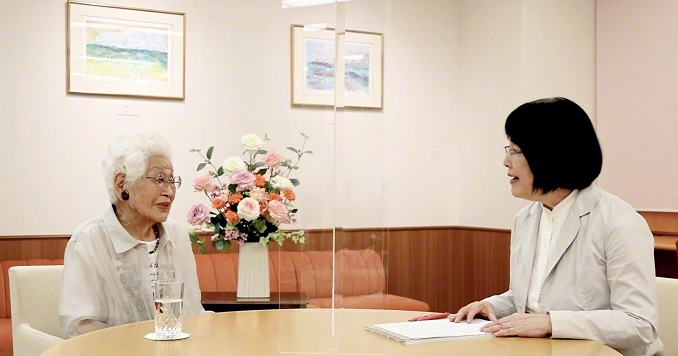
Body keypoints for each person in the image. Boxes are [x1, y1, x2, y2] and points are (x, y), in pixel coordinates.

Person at [442, 97, 661, 355]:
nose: (505, 161)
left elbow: (640, 324)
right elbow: (528, 299)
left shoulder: (620, 221)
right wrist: (489, 306)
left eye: (515, 151)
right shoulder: (526, 218)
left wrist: (551, 323)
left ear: (550, 154)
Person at [59, 132, 205, 338]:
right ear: (122, 185)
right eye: (160, 180)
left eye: (172, 181)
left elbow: (194, 312)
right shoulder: (89, 241)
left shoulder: (178, 235)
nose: (170, 192)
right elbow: (78, 327)